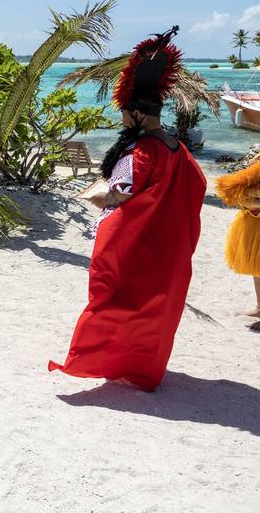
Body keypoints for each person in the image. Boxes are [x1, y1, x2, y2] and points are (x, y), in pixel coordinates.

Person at [49, 27, 207, 391]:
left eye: (124, 113)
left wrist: (91, 197)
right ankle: (142, 368)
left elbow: (117, 197)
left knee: (114, 303)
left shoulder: (138, 153)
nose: (120, 119)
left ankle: (99, 361)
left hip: (135, 247)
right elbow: (196, 184)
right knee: (154, 312)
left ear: (136, 114)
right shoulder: (176, 147)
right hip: (167, 247)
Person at [216, 158, 260, 318]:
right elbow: (240, 188)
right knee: (257, 267)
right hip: (253, 219)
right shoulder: (258, 158)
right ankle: (259, 307)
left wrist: (248, 196)